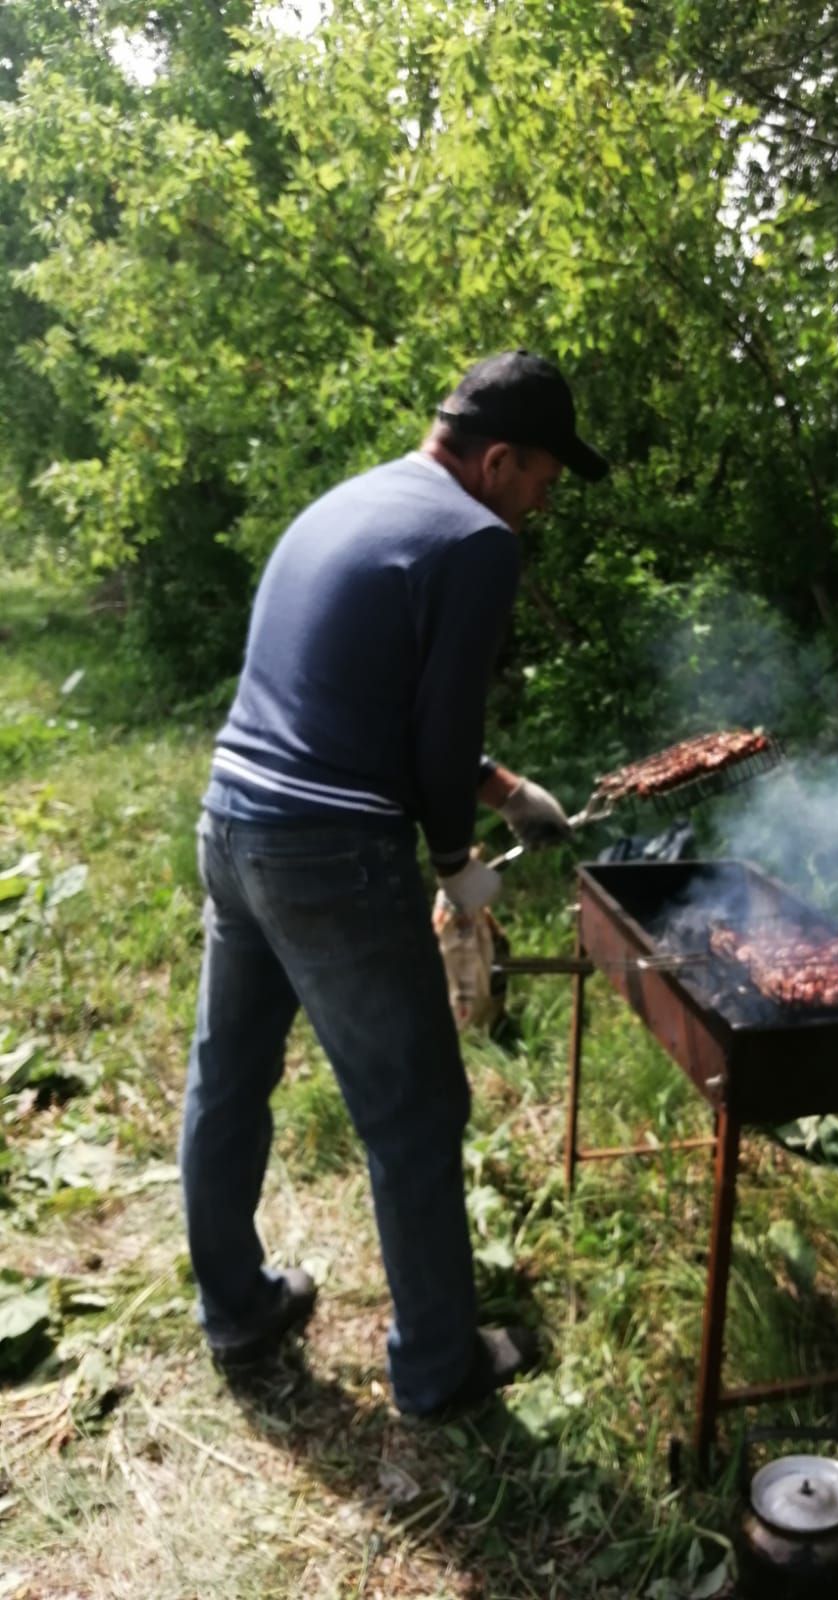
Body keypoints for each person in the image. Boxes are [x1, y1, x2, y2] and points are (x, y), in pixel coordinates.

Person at [179, 351, 608, 1416]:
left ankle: (235, 1305)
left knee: (228, 1071)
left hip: (232, 819)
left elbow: (354, 695)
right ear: (498, 460)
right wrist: (458, 864)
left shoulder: (352, 502)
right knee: (415, 1105)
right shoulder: (476, 539)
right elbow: (437, 726)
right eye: (544, 481)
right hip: (329, 851)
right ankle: (438, 1367)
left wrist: (506, 790)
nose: (541, 505)